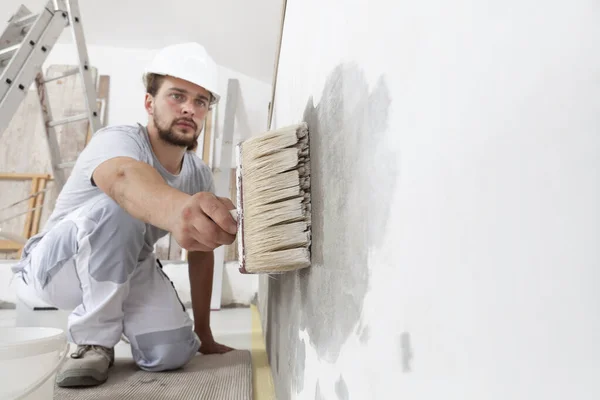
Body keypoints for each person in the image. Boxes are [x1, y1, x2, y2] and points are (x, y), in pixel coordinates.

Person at [11, 42, 238, 388]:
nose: (189, 109)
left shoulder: (198, 175)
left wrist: (203, 331)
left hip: (125, 267)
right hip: (56, 267)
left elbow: (201, 255)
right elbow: (123, 181)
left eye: (200, 102)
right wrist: (180, 209)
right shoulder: (116, 140)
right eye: (177, 96)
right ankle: (93, 340)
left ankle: (116, 321)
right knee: (121, 207)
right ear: (150, 103)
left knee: (172, 352)